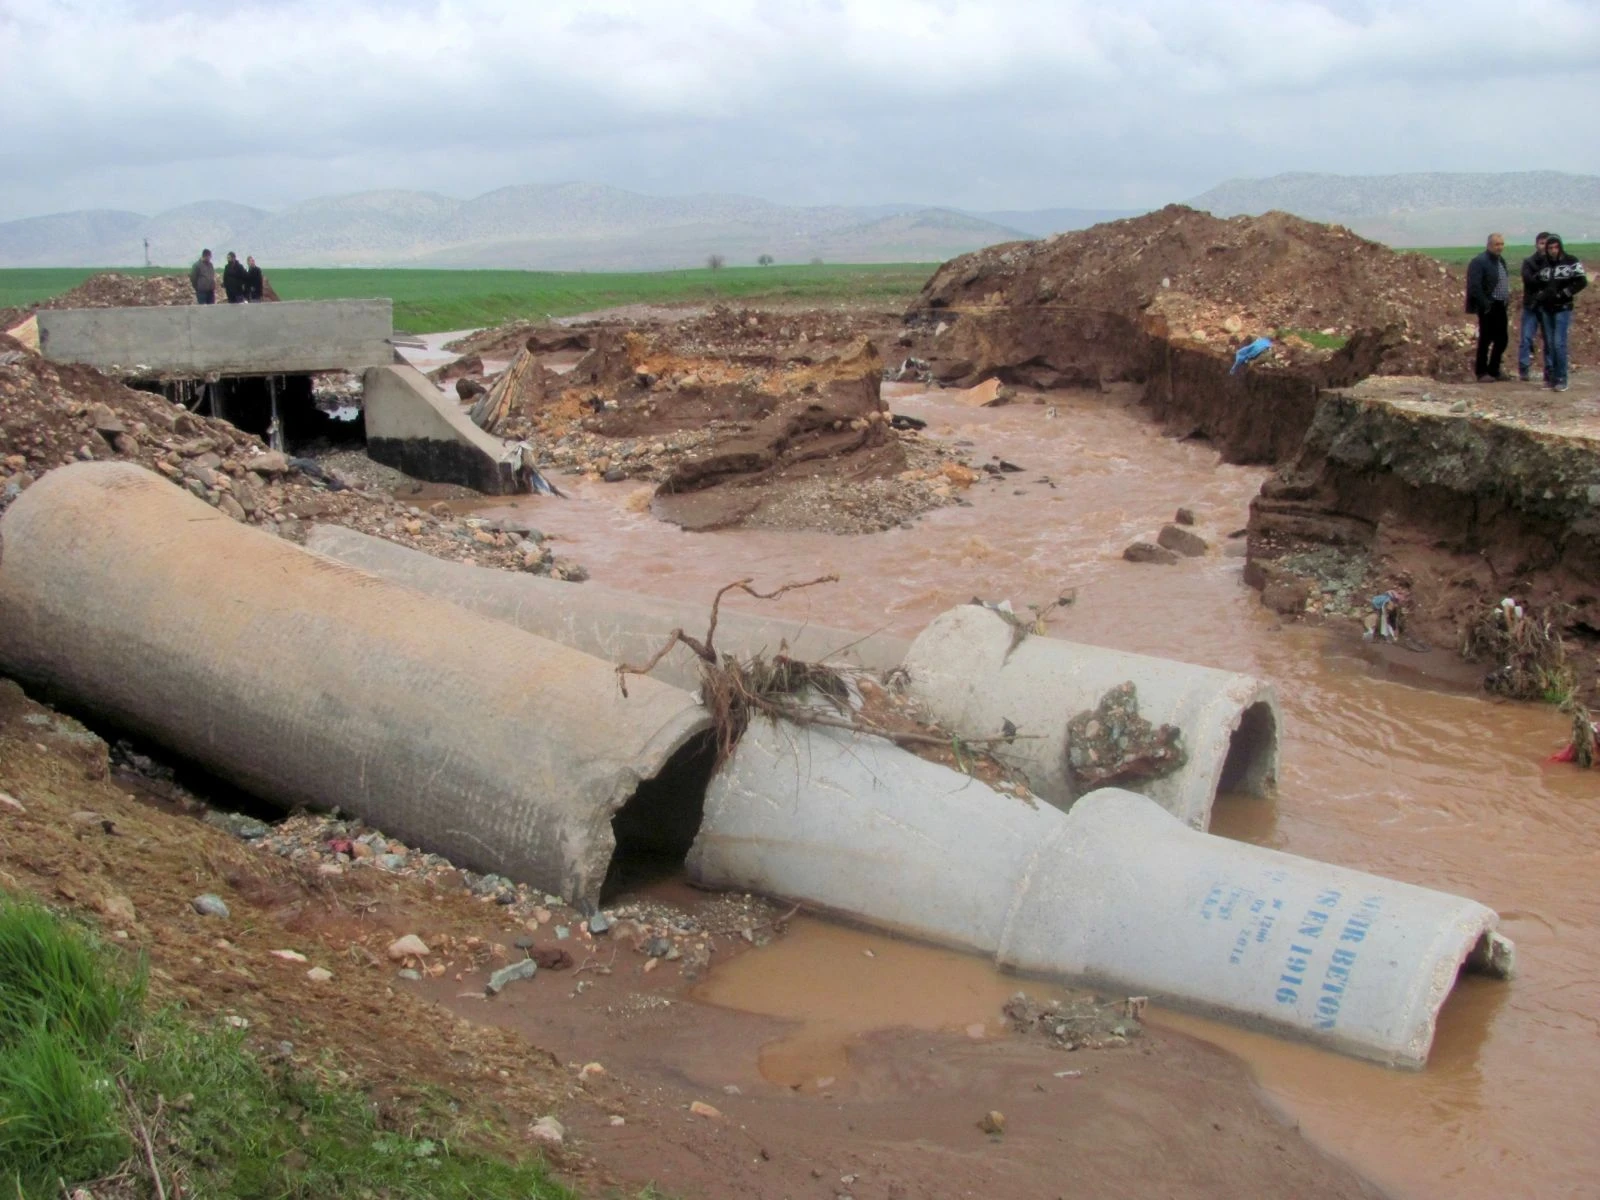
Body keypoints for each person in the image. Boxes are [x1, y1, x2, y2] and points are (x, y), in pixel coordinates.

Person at [1531, 233, 1587, 393]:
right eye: (1550, 247)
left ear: (1560, 247)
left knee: (1558, 343)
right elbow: (1534, 281)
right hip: (1546, 309)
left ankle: (1562, 378)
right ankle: (1551, 378)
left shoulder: (1571, 261)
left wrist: (1565, 293)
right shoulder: (1544, 265)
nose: (1553, 250)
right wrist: (1540, 295)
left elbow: (1581, 281)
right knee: (1549, 344)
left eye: (1556, 247)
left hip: (1563, 308)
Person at [1465, 233, 1510, 381]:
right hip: (1488, 305)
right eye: (1497, 244)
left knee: (1502, 339)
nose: (1499, 247)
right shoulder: (1479, 262)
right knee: (1486, 339)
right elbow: (1474, 286)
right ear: (1489, 245)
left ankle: (1494, 369)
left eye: (1501, 244)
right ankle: (1482, 372)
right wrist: (1485, 303)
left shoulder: (1500, 261)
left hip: (1500, 305)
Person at [1517, 232, 1550, 382]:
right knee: (1526, 338)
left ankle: (1549, 369)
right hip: (1531, 305)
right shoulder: (1529, 262)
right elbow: (1529, 281)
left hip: (1549, 307)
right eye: (1541, 243)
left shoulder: (1555, 263)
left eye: (1546, 243)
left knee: (1550, 339)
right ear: (1536, 244)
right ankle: (1524, 369)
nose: (1544, 246)